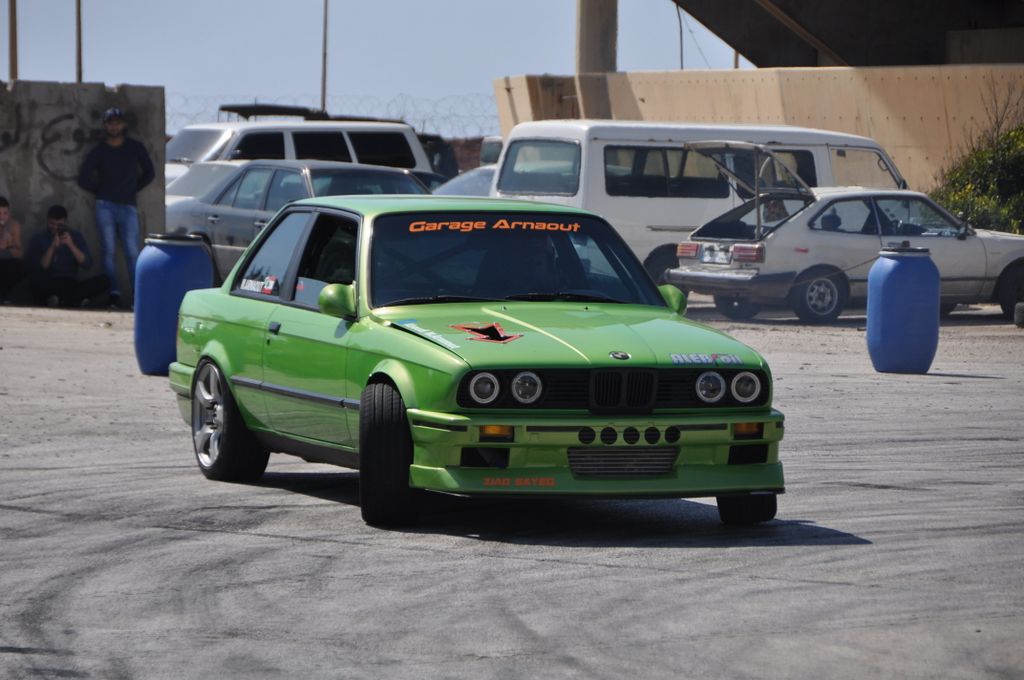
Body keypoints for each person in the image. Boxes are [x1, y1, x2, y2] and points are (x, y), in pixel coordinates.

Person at [77, 107, 155, 309]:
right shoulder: (100, 150)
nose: (114, 126)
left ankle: (139, 295)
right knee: (108, 251)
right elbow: (84, 177)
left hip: (128, 206)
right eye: (110, 122)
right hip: (105, 206)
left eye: (118, 122)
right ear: (105, 125)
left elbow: (149, 172)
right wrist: (102, 191)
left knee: (132, 251)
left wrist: (132, 188)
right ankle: (114, 294)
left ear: (124, 125)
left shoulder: (134, 148)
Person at [26, 205, 110, 308]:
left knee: (104, 280)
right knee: (34, 282)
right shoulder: (39, 238)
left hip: (70, 283)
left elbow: (87, 264)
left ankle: (61, 301)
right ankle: (70, 301)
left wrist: (71, 245)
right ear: (47, 221)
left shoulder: (76, 236)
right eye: (52, 224)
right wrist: (52, 247)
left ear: (65, 222)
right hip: (50, 282)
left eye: (59, 225)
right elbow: (41, 267)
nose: (55, 228)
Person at [0, 196, 27, 303]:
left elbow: (20, 255)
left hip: (8, 263)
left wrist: (9, 245)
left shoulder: (14, 226)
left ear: (9, 213)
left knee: (21, 267)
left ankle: (4, 297)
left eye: (5, 213)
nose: (2, 217)